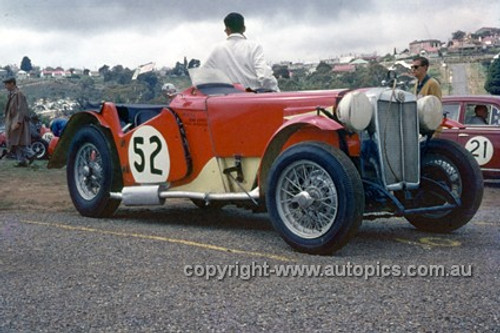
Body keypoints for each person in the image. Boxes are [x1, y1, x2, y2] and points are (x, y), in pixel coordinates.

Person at [202, 12, 279, 92]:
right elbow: (265, 77)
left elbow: (202, 75)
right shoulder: (254, 47)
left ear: (227, 30)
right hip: (252, 98)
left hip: (225, 99)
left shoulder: (216, 48)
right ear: (244, 28)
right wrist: (276, 92)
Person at [3, 77, 35, 167]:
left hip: (17, 122)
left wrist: (18, 122)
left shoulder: (18, 94)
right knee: (15, 142)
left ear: (12, 83)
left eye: (7, 84)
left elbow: (21, 109)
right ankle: (21, 161)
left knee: (18, 141)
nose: (5, 86)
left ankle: (31, 154)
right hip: (12, 121)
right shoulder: (12, 94)